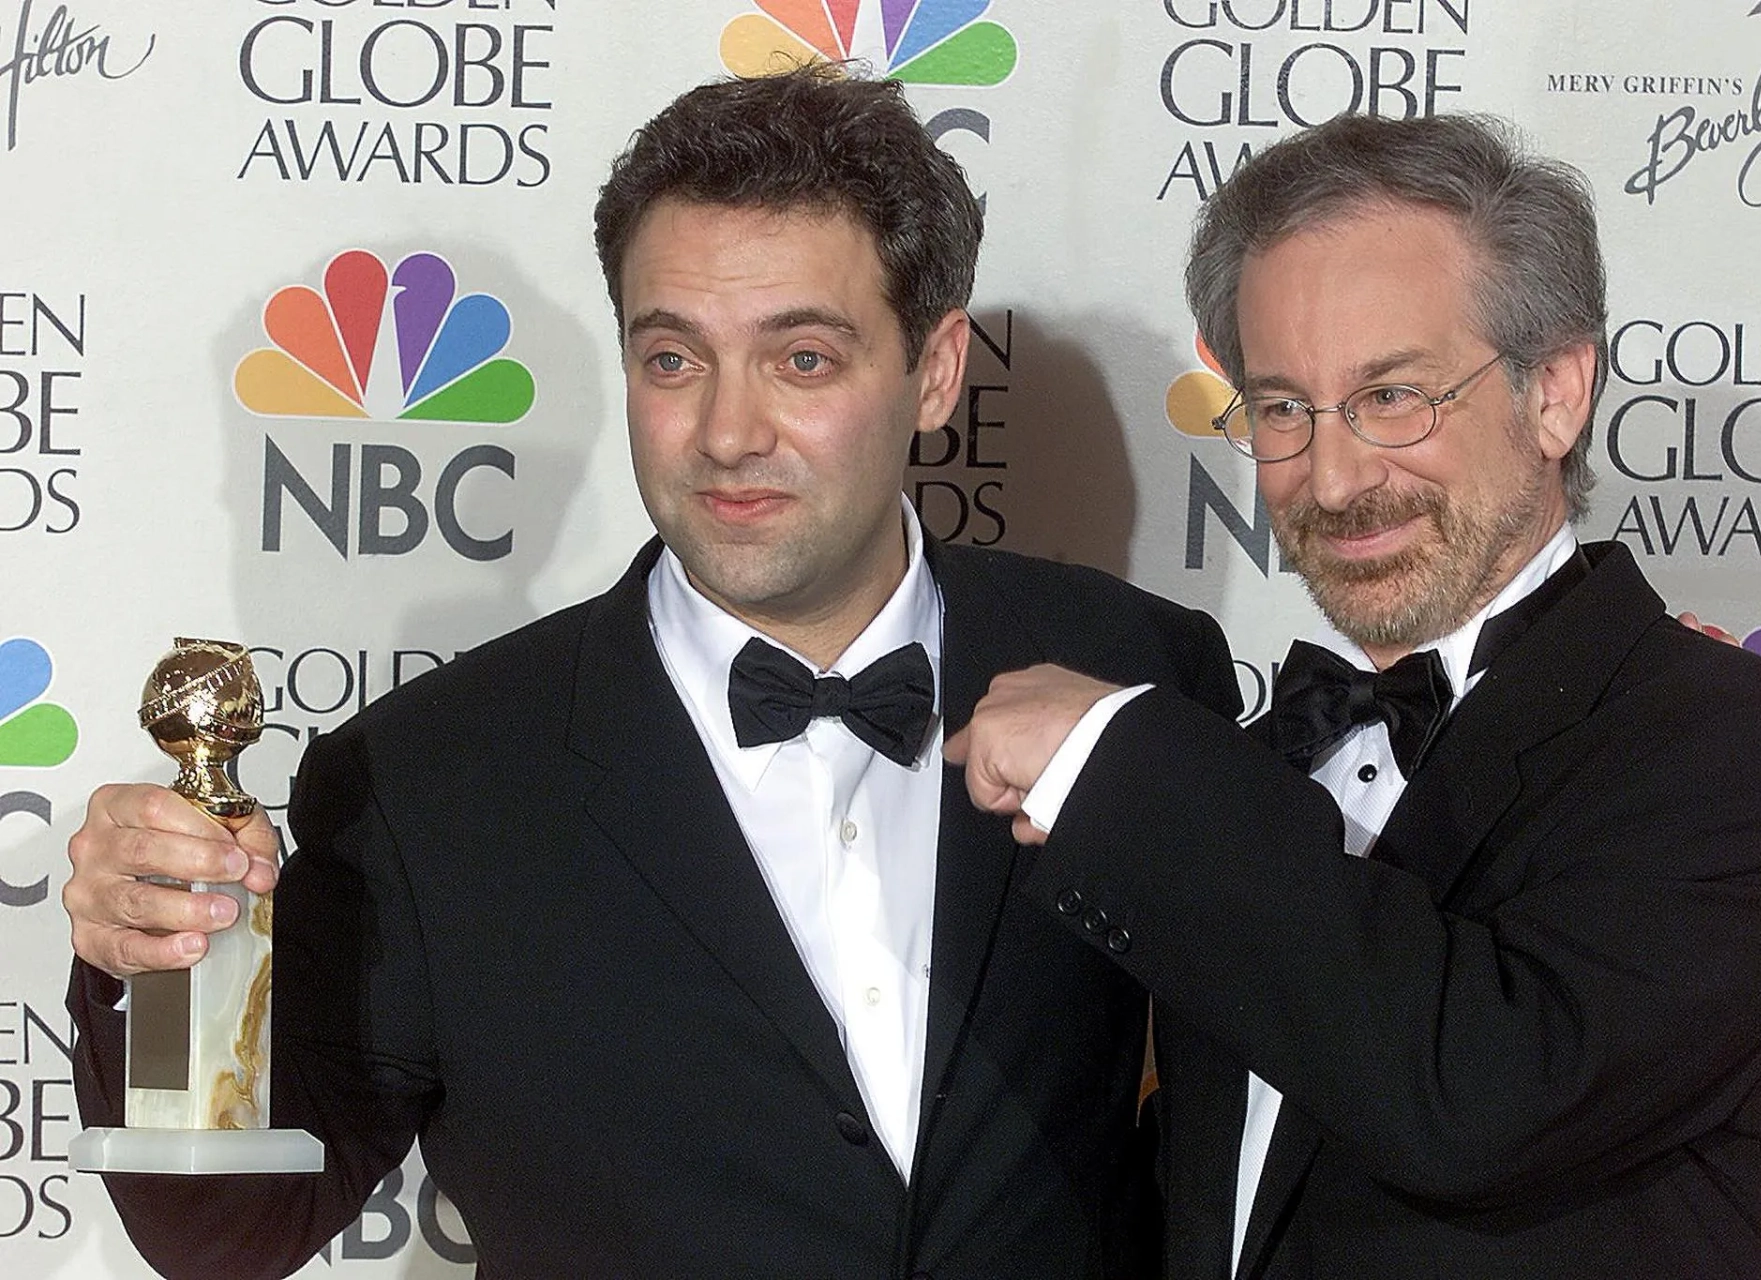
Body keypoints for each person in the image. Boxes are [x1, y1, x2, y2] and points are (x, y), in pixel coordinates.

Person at [63, 67, 1237, 1279]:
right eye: (674, 359)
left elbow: (1238, 1146)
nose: (728, 433)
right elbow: (224, 1229)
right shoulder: (427, 778)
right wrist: (145, 962)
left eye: (803, 359)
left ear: (934, 372)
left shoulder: (1138, 672)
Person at [947, 113, 1761, 1279]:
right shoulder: (1260, 760)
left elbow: (1479, 1098)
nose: (1333, 478)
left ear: (1556, 392)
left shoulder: (1740, 748)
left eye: (1392, 396)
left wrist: (1114, 756)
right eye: (1283, 407)